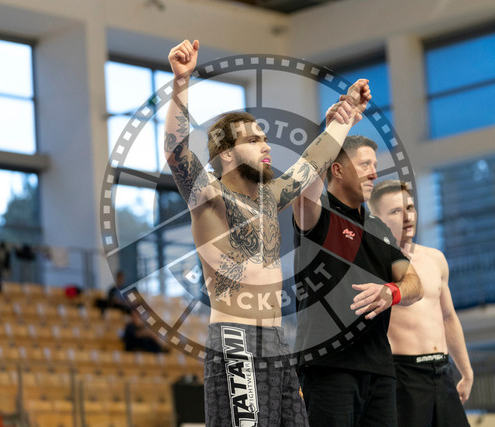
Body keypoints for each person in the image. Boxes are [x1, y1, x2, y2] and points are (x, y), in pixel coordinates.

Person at [164, 39, 371, 426]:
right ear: (227, 154)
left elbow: (311, 162)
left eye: (264, 137)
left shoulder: (269, 199)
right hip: (235, 338)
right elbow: (177, 153)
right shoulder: (208, 197)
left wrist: (345, 119)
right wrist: (181, 82)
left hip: (276, 340)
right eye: (253, 140)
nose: (265, 145)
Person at [292, 136, 423, 426]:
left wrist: (392, 291)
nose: (374, 173)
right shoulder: (318, 212)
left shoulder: (379, 228)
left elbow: (414, 283)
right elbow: (302, 192)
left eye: (375, 165)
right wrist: (334, 130)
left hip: (380, 369)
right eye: (365, 165)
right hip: (329, 366)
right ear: (337, 169)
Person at [368, 180, 473, 427]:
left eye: (410, 208)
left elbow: (448, 317)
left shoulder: (435, 259)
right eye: (396, 211)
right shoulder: (373, 265)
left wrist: (466, 371)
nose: (407, 217)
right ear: (376, 220)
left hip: (442, 371)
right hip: (403, 375)